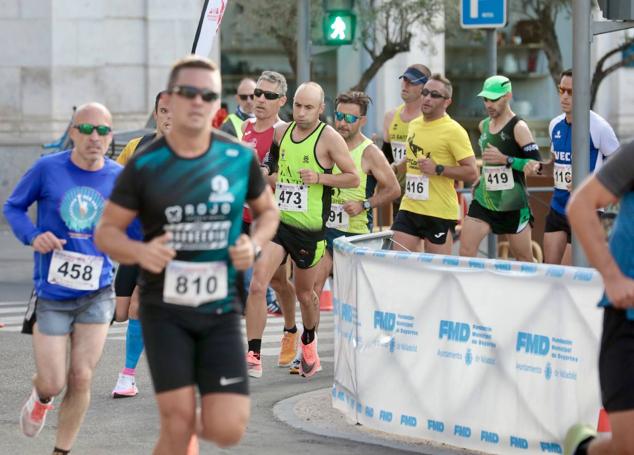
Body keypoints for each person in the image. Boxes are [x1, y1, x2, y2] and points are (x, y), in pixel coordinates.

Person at [94, 55, 279, 453]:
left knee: (228, 429)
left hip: (219, 308)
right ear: (172, 100)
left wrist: (254, 243)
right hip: (166, 308)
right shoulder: (146, 161)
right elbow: (106, 231)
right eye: (187, 93)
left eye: (207, 94)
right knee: (177, 423)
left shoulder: (237, 158)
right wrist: (141, 250)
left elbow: (268, 212)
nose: (197, 102)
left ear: (218, 104)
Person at [3, 102, 120, 455]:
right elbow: (13, 207)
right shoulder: (47, 169)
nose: (94, 137)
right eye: (86, 129)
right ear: (72, 132)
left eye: (102, 131)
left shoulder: (119, 177)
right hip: (52, 293)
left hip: (98, 291)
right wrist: (33, 235)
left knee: (82, 376)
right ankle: (40, 397)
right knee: (53, 382)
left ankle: (61, 451)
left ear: (110, 136)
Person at [245, 81, 359, 379]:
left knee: (305, 294)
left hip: (309, 230)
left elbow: (353, 179)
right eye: (297, 105)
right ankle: (253, 353)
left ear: (321, 109)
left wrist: (320, 178)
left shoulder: (329, 138)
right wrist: (262, 173)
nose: (301, 112)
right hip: (279, 223)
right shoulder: (282, 132)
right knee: (258, 283)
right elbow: (271, 162)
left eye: (309, 107)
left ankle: (308, 340)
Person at [564, 142, 634, 455]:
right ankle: (584, 450)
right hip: (627, 317)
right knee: (627, 446)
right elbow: (580, 206)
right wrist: (613, 277)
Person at [110, 91, 171, 399]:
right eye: (164, 111)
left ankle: (127, 376)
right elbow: (113, 181)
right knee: (122, 311)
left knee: (138, 304)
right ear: (156, 113)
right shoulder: (138, 147)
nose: (170, 117)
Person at [314, 90, 399, 297]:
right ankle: (310, 331)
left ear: (362, 120)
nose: (342, 123)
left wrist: (365, 204)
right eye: (339, 116)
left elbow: (394, 189)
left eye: (350, 118)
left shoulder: (370, 152)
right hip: (323, 228)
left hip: (354, 233)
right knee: (313, 289)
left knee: (351, 296)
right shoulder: (324, 142)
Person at [242, 71, 300, 367]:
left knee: (263, 284)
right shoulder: (243, 128)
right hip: (242, 216)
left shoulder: (285, 132)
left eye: (269, 96)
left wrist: (265, 176)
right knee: (276, 282)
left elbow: (288, 176)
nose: (260, 100)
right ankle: (271, 339)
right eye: (258, 94)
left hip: (271, 219)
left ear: (282, 101)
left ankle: (275, 339)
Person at [391, 74, 478, 254]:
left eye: (435, 95)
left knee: (437, 271)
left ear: (447, 101)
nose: (428, 98)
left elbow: (472, 172)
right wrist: (394, 168)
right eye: (425, 92)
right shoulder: (414, 125)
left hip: (438, 211)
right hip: (410, 206)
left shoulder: (454, 131)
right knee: (399, 262)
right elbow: (414, 156)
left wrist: (438, 169)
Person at [459, 75, 543, 261]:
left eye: (494, 99)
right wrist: (484, 177)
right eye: (485, 99)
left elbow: (537, 166)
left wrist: (506, 159)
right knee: (465, 252)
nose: (489, 104)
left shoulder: (519, 127)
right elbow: (490, 161)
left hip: (512, 205)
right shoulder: (484, 126)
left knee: (524, 259)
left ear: (508, 96)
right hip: (485, 201)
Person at [544, 69, 620, 265]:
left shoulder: (599, 127)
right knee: (549, 271)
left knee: (568, 274)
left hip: (586, 209)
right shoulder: (554, 125)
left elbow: (619, 165)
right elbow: (555, 162)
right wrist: (536, 167)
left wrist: (589, 184)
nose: (565, 96)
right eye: (561, 90)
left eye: (571, 92)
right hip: (558, 208)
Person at [382, 64, 431, 220]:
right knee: (401, 242)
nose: (405, 85)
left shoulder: (430, 119)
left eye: (412, 82)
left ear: (424, 87)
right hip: (401, 193)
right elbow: (386, 156)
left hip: (427, 194)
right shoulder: (391, 116)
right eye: (404, 80)